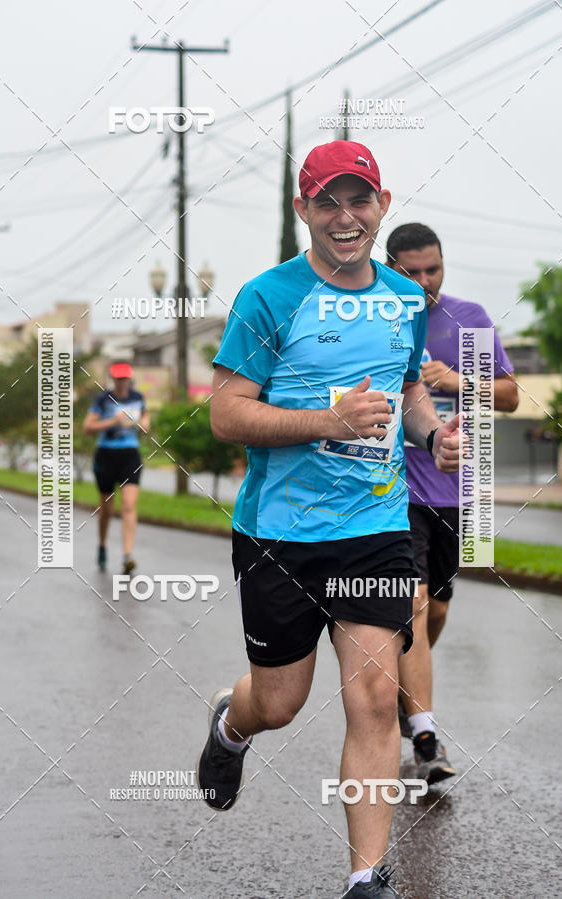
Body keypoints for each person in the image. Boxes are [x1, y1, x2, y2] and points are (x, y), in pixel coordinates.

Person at [197, 141, 463, 898]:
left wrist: (434, 433)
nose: (345, 218)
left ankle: (364, 878)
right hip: (280, 531)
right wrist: (326, 419)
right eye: (327, 201)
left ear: (382, 202)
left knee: (376, 697)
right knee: (279, 701)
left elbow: (407, 393)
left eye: (360, 200)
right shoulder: (267, 297)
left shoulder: (404, 299)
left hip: (375, 526)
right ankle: (232, 724)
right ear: (303, 210)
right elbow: (225, 413)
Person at [386, 222, 518, 784]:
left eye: (432, 270)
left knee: (434, 612)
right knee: (413, 605)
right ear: (389, 267)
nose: (423, 282)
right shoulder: (376, 319)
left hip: (455, 490)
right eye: (411, 272)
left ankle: (403, 691)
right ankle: (426, 740)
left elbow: (510, 396)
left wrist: (463, 380)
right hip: (393, 490)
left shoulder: (469, 319)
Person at [83, 362, 149, 574]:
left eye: (125, 378)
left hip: (130, 454)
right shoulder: (103, 399)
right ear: (113, 380)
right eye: (119, 379)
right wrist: (113, 421)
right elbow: (88, 427)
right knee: (107, 509)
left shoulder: (137, 398)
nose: (122, 382)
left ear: (130, 379)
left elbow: (145, 417)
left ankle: (127, 556)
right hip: (106, 455)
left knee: (129, 505)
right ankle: (102, 544)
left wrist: (145, 424)